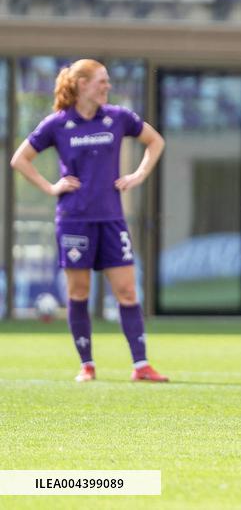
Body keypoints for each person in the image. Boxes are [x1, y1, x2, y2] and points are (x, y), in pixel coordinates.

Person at [10, 59, 168, 383]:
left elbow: (155, 141)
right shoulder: (57, 124)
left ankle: (141, 365)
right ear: (82, 84)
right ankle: (87, 364)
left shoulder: (118, 118)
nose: (107, 87)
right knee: (79, 293)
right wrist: (51, 187)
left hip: (111, 219)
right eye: (101, 81)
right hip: (74, 221)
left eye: (108, 81)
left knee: (126, 291)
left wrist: (138, 175)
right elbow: (20, 159)